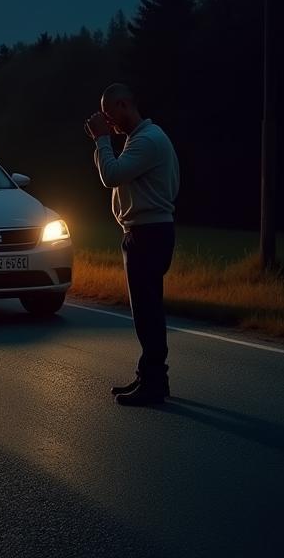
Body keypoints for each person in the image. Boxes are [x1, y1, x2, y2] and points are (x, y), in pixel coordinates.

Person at [85, 83, 179, 406]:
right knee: (145, 310)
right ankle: (150, 376)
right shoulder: (141, 140)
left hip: (149, 233)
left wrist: (101, 140)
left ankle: (154, 382)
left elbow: (111, 175)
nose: (109, 122)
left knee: (147, 311)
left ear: (125, 104)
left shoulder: (148, 142)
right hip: (147, 231)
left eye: (111, 114)